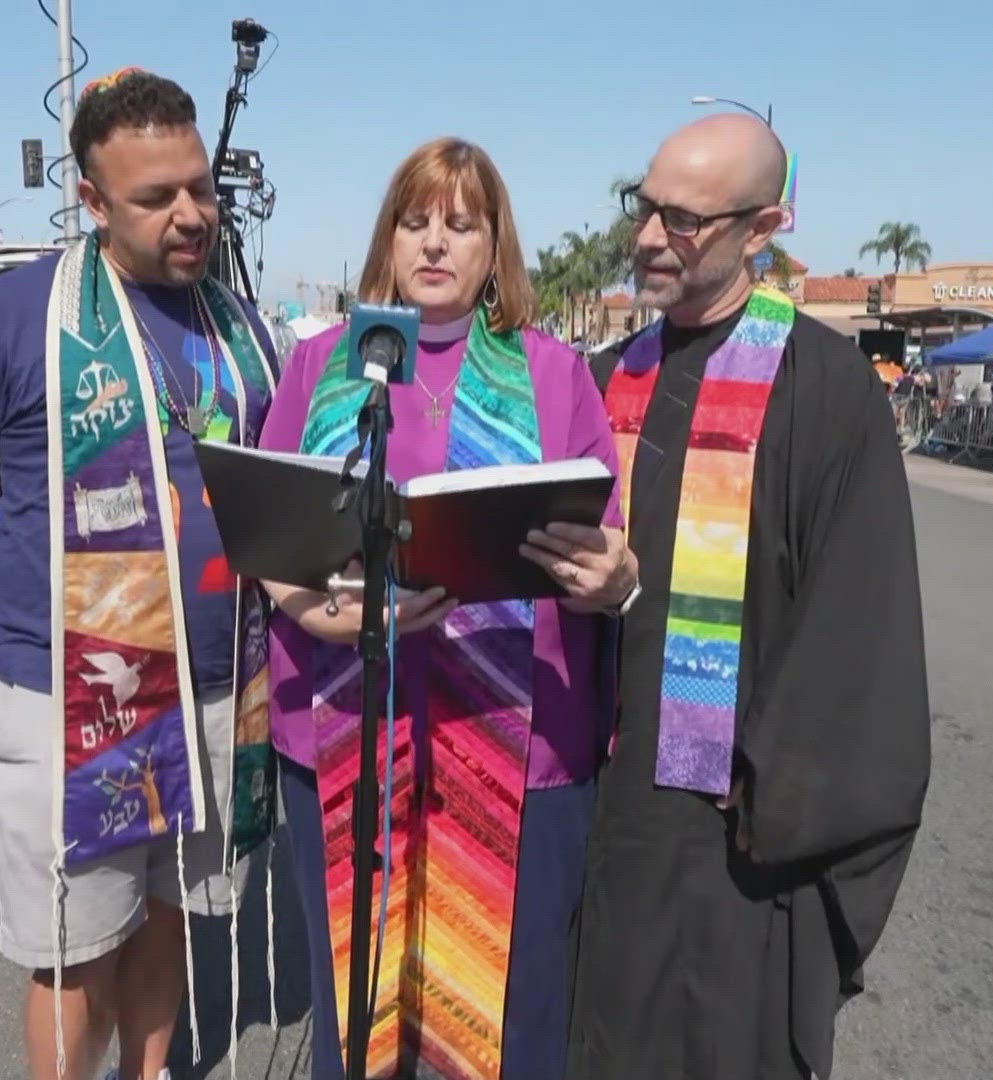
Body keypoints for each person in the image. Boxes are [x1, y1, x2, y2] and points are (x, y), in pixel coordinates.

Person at [0, 68, 279, 1080]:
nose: (190, 214)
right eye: (156, 197)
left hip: (218, 691)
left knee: (167, 922)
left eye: (199, 186)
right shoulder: (13, 317)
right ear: (93, 201)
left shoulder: (241, 325)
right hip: (77, 697)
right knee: (73, 950)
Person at [259, 137, 634, 1080]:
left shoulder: (555, 374)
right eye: (415, 222)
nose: (435, 244)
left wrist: (611, 576)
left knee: (511, 1012)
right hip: (348, 721)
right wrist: (313, 609)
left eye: (460, 226)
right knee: (360, 992)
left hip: (519, 733)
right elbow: (264, 533)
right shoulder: (319, 368)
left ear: (493, 247)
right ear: (387, 241)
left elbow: (608, 544)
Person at [566, 114, 929, 1080]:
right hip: (606, 800)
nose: (648, 237)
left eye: (682, 220)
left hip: (733, 825)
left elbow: (859, 624)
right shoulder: (605, 381)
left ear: (761, 228)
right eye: (644, 209)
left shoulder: (823, 388)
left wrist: (778, 790)